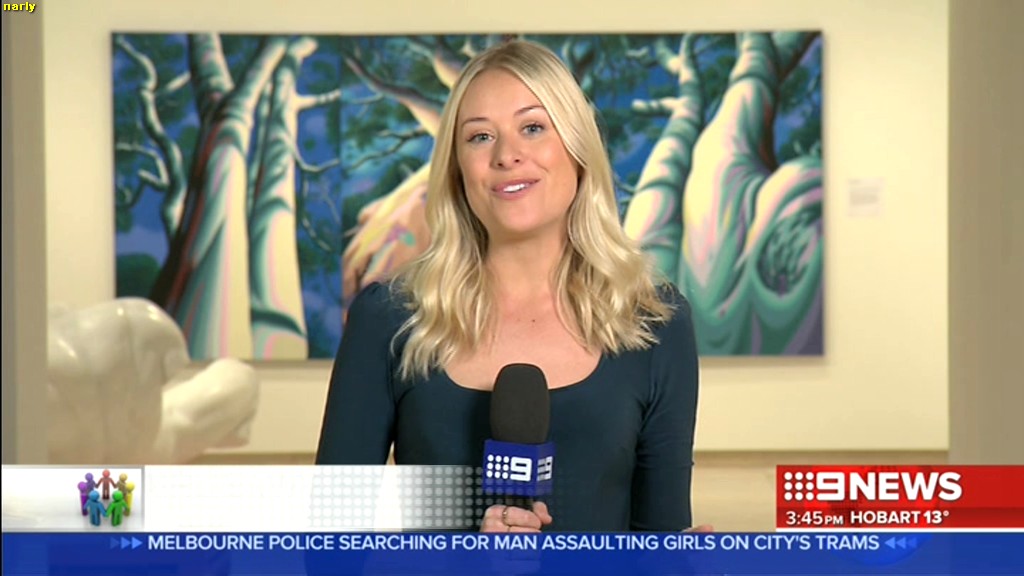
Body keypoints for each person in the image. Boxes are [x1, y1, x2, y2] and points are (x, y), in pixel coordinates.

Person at [316, 39, 701, 533]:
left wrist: (686, 562)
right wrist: (462, 559)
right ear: (457, 169)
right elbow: (330, 545)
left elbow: (660, 542)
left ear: (577, 150)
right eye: (480, 137)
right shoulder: (387, 318)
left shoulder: (656, 322)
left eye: (533, 128)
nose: (506, 155)